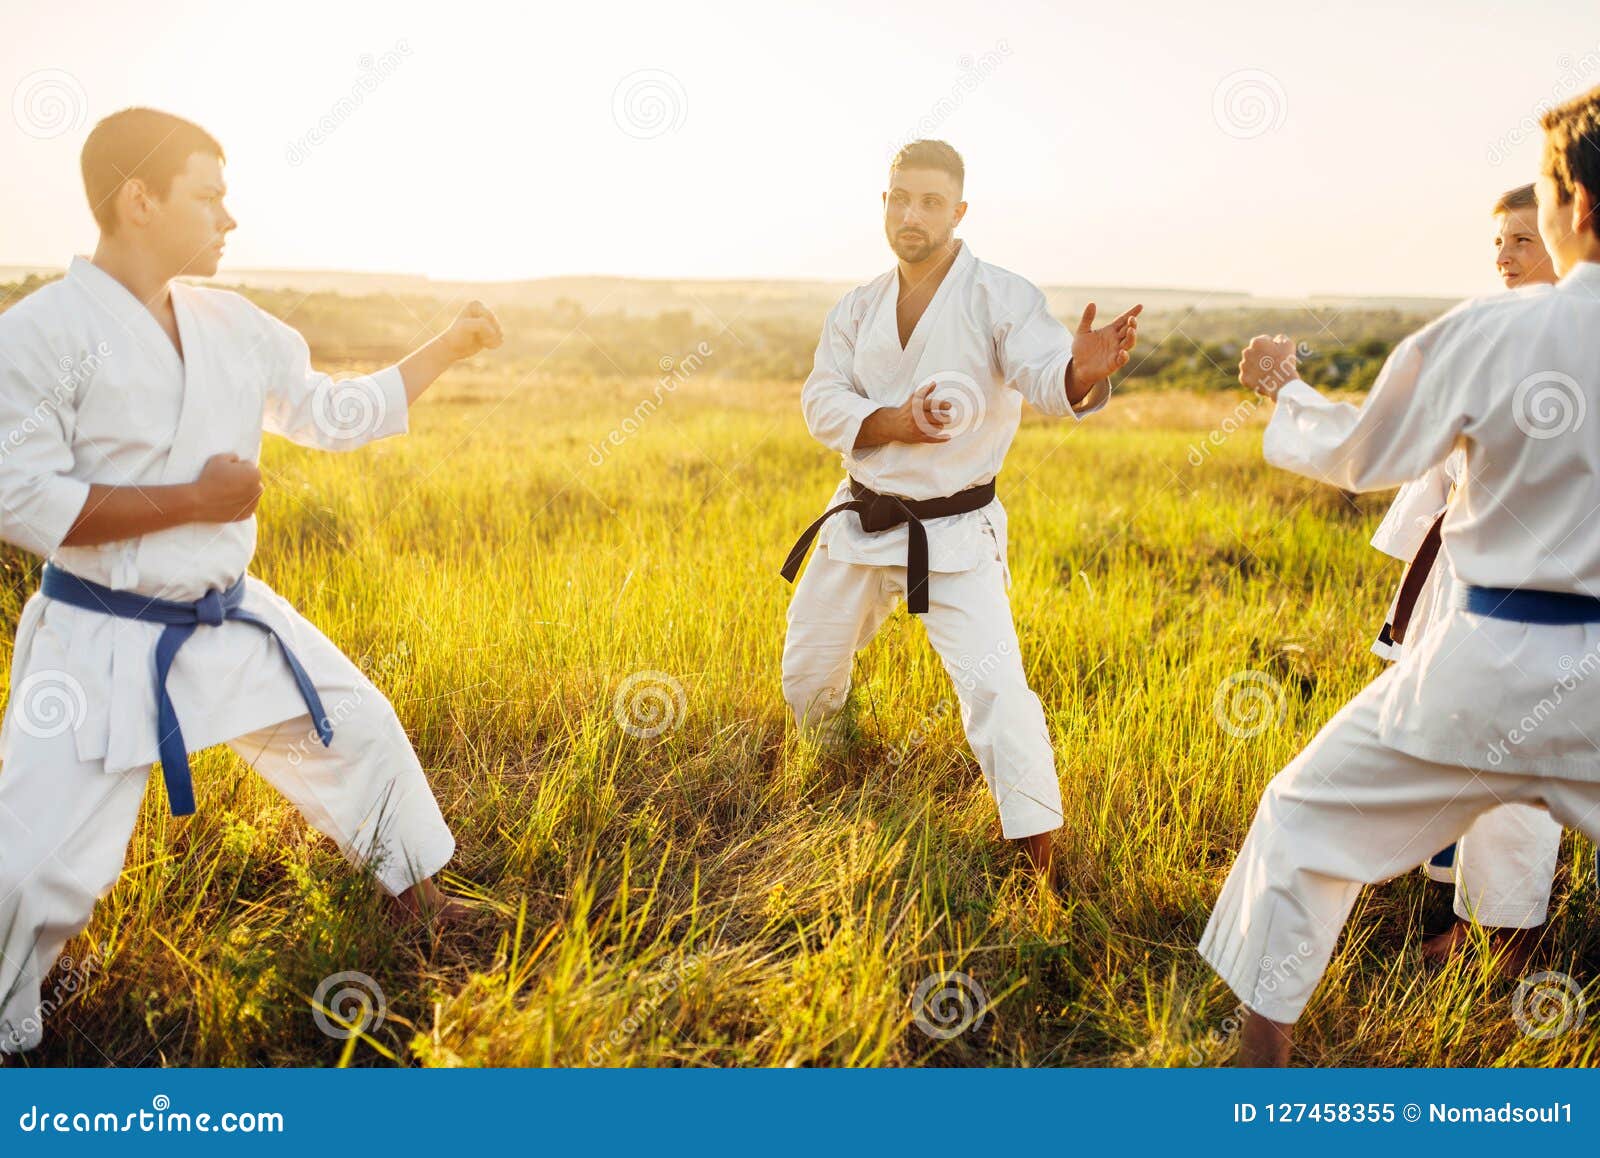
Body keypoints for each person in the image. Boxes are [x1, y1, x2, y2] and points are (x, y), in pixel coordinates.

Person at [0, 108, 502, 1057]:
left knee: (357, 730)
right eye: (210, 195)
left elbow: (331, 411)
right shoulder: (38, 335)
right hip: (99, 638)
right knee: (28, 874)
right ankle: (13, 1028)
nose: (230, 218)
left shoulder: (230, 321)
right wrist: (191, 498)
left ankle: (421, 908)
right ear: (137, 199)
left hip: (227, 617)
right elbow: (20, 498)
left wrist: (447, 346)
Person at [1198, 85, 1600, 1065]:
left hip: (1484, 659)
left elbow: (1362, 456)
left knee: (1301, 821)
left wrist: (1285, 388)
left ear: (1573, 205)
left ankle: (1256, 1083)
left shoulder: (1492, 332)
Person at [779, 139, 1140, 878]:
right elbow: (821, 400)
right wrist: (894, 423)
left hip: (952, 532)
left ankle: (1038, 864)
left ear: (960, 211)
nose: (913, 214)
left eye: (932, 201)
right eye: (901, 198)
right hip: (861, 516)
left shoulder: (999, 296)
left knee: (998, 694)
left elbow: (1045, 374)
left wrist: (1079, 372)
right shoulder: (857, 307)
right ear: (885, 205)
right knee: (808, 674)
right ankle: (840, 785)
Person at [1369, 183, 1563, 971]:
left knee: (1514, 765)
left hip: (1538, 587)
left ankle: (1514, 939)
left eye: (1523, 239)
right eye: (1498, 242)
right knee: (1457, 745)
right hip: (1465, 574)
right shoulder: (1495, 331)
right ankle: (1469, 915)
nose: (1504, 257)